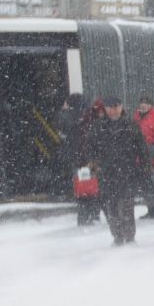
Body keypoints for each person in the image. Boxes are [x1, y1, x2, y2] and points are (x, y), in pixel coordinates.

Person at [86, 96, 151, 246]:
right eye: (110, 108)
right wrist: (93, 164)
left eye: (116, 107)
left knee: (126, 207)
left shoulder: (131, 125)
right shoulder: (98, 127)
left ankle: (129, 238)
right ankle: (117, 237)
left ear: (121, 107)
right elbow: (90, 147)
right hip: (106, 174)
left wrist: (145, 165)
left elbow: (142, 148)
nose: (113, 111)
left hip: (127, 173)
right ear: (105, 109)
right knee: (111, 208)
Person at [58, 93, 99, 226]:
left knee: (81, 186)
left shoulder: (70, 116)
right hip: (89, 156)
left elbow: (62, 129)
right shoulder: (89, 115)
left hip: (78, 156)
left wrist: (64, 111)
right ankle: (93, 213)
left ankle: (84, 216)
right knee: (91, 184)